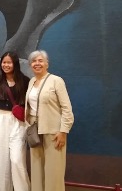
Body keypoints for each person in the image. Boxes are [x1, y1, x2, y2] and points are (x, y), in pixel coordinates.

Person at [25, 50, 74, 191]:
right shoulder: (31, 82)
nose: (37, 63)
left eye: (40, 61)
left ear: (47, 64)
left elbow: (67, 109)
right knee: (36, 170)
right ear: (30, 65)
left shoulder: (56, 81)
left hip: (54, 131)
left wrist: (63, 131)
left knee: (54, 172)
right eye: (34, 61)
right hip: (35, 130)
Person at [0, 52, 30, 191]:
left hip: (18, 121)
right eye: (4, 62)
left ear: (15, 64)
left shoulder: (25, 81)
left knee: (17, 160)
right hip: (0, 119)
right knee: (1, 160)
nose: (6, 65)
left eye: (9, 62)